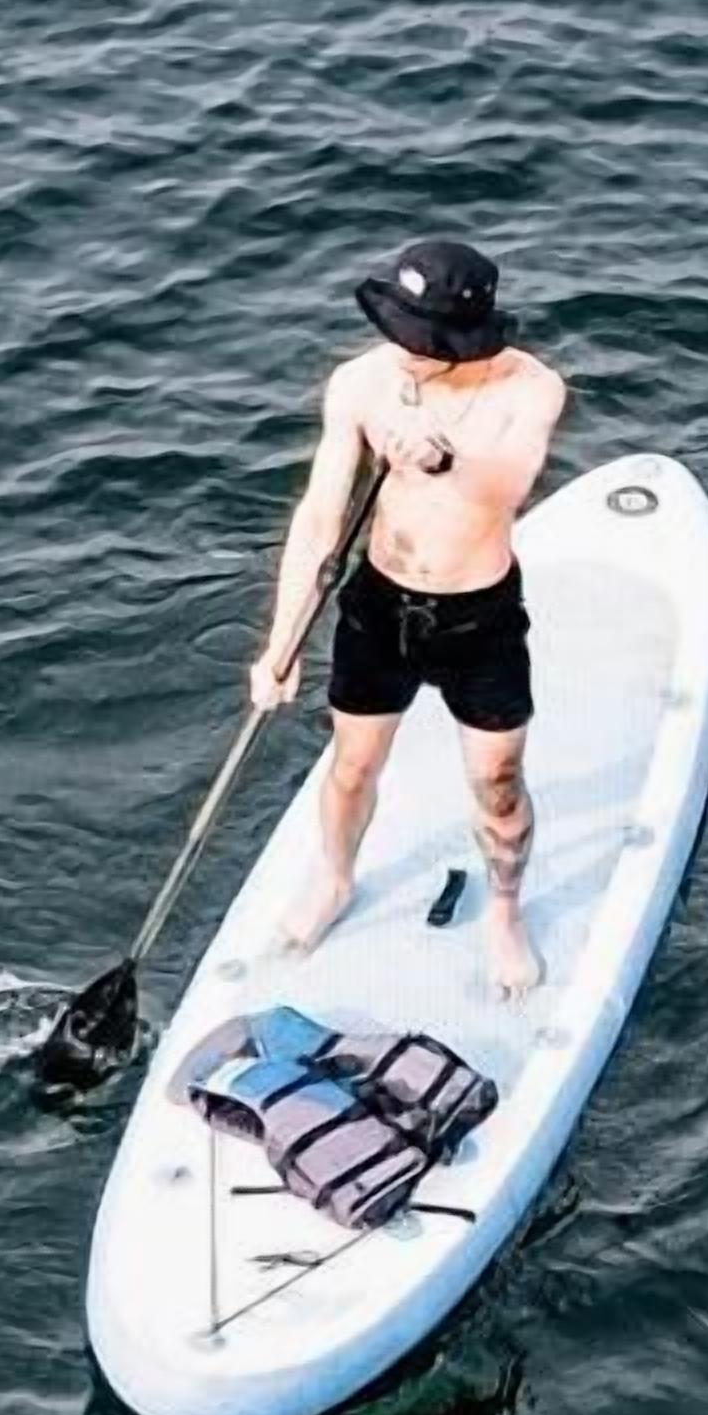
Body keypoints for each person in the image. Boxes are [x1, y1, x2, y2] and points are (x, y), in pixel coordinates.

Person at [248, 237, 567, 1001]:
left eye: (421, 339)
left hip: (479, 617)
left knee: (496, 782)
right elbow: (321, 515)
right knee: (351, 764)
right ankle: (333, 877)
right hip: (380, 607)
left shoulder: (530, 389)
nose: (403, 352)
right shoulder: (362, 382)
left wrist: (444, 459)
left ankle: (503, 911)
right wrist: (282, 642)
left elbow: (509, 484)